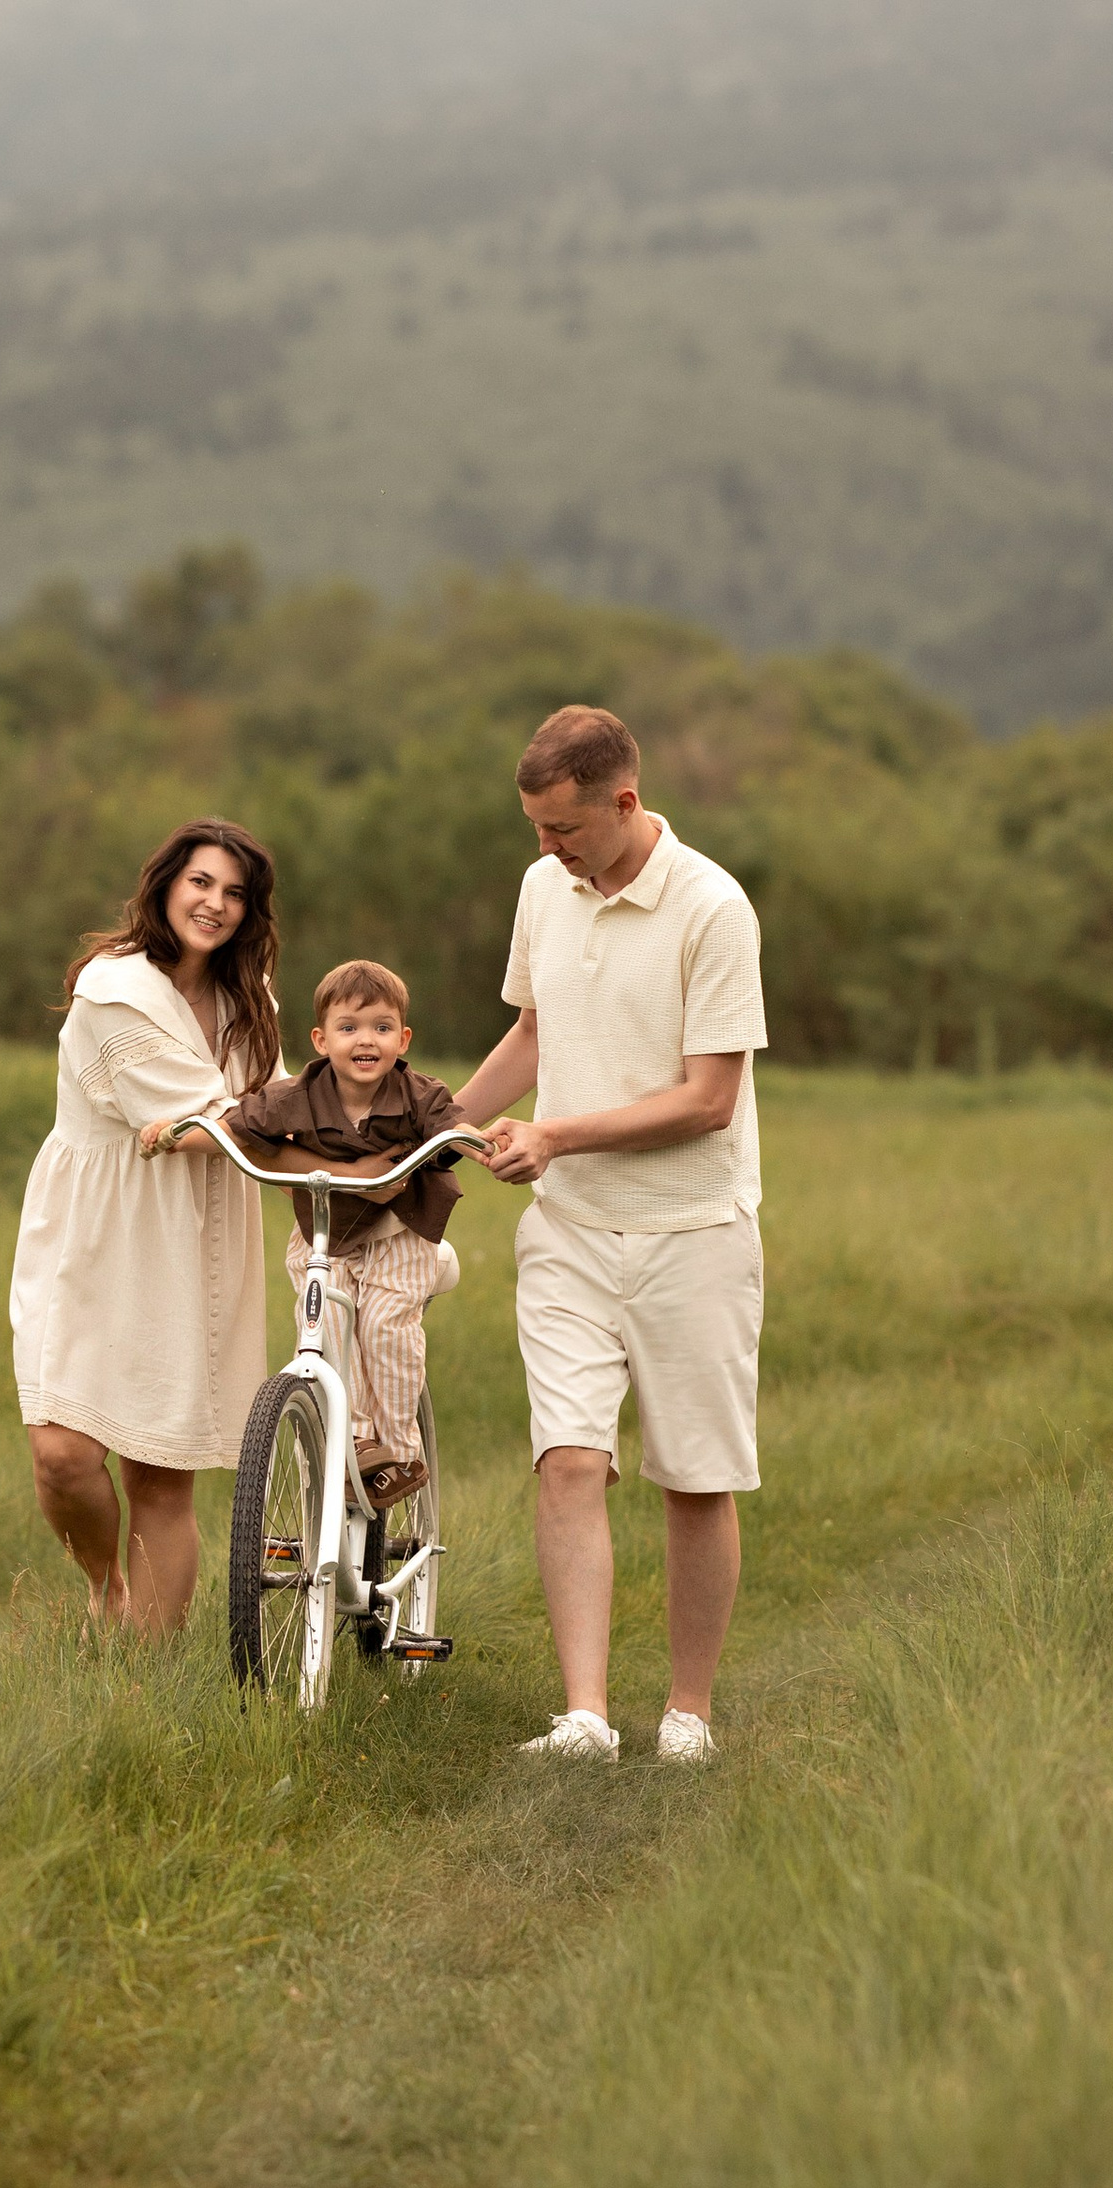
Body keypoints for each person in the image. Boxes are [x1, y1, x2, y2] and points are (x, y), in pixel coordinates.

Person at [457, 704, 767, 1766]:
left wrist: (555, 1135)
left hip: (694, 1233)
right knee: (568, 1462)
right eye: (536, 828)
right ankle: (584, 1717)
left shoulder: (712, 907)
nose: (547, 849)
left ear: (624, 802)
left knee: (695, 1479)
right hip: (569, 1235)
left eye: (564, 829)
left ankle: (688, 1713)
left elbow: (709, 1101)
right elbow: (532, 1033)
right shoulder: (544, 887)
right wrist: (429, 1131)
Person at [10, 818, 282, 1632]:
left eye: (235, 893)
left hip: (196, 1233)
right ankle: (106, 1588)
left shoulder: (249, 1000)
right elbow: (219, 1117)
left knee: (161, 1474)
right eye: (201, 882)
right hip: (98, 1230)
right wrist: (300, 1124)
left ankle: (143, 1681)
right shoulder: (112, 990)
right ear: (165, 884)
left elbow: (269, 1102)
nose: (215, 904)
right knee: (63, 1454)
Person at [139, 955, 470, 1510]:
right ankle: (355, 1442)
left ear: (403, 1038)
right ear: (321, 1040)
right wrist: (175, 1134)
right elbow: (238, 1127)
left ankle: (399, 1451)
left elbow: (452, 1126)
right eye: (349, 1027)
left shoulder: (418, 1093)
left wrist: (477, 1143)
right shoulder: (297, 1094)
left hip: (399, 1232)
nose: (366, 1040)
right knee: (325, 1328)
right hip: (326, 1233)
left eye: (382, 1027)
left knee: (385, 1328)